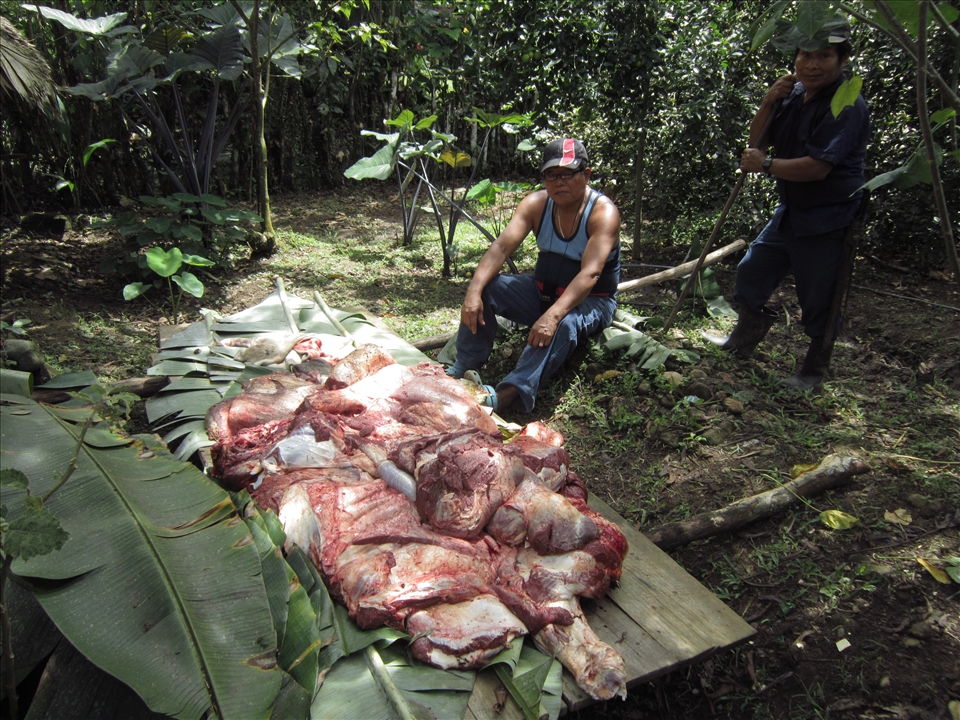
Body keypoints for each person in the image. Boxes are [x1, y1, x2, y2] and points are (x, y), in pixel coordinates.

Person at [706, 16, 870, 390]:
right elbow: (758, 140)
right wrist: (769, 100)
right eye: (806, 55)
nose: (812, 64)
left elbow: (816, 168)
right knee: (753, 270)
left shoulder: (847, 105)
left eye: (824, 56)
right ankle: (741, 342)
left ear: (842, 60)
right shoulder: (794, 93)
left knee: (819, 296)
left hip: (829, 217)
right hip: (792, 210)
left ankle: (812, 373)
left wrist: (764, 165)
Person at [445, 138, 621, 413]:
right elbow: (501, 247)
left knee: (564, 322)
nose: (559, 181)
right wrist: (473, 291)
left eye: (567, 174)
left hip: (592, 302)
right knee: (488, 287)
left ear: (586, 175)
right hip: (543, 293)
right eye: (552, 175)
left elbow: (591, 273)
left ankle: (511, 392)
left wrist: (552, 315)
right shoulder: (536, 204)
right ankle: (464, 365)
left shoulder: (603, 213)